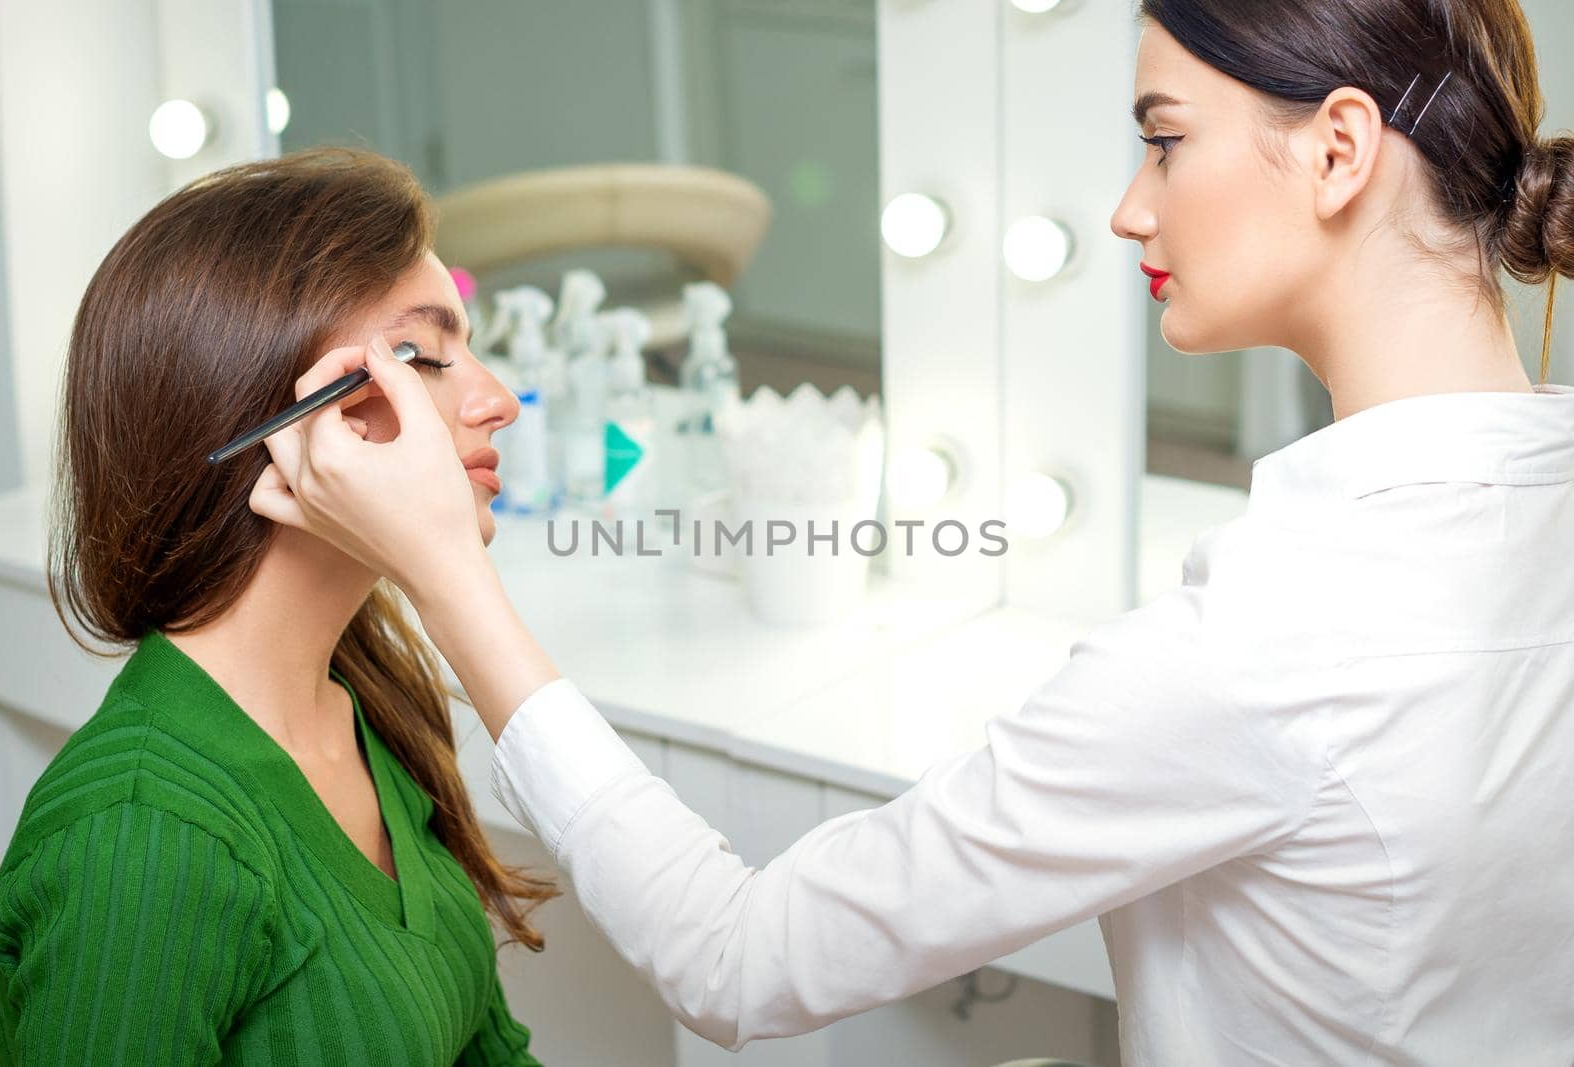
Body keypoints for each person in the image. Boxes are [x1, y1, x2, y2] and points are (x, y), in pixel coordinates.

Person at [259, 2, 1574, 1064]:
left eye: (1163, 139)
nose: (1128, 205)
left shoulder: (1261, 650)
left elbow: (736, 955)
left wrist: (445, 571)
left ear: (1340, 150)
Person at [0, 149, 550, 1065]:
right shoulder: (140, 842)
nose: (496, 400)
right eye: (423, 357)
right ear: (262, 419)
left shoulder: (362, 706)